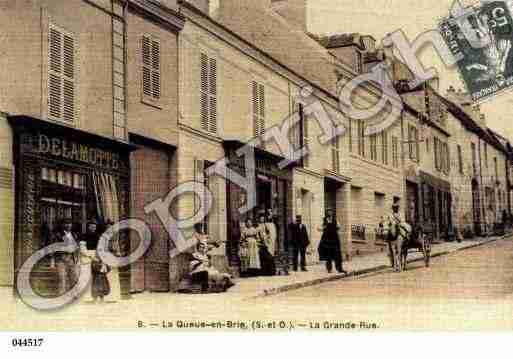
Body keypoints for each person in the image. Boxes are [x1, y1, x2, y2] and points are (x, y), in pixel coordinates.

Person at [52, 217, 79, 293]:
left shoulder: (74, 234)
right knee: (62, 278)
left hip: (71, 259)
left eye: (70, 223)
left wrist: (76, 257)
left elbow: (76, 247)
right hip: (61, 260)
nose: (68, 225)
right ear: (63, 225)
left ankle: (74, 295)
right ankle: (62, 296)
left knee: (74, 278)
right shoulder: (58, 235)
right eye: (66, 224)